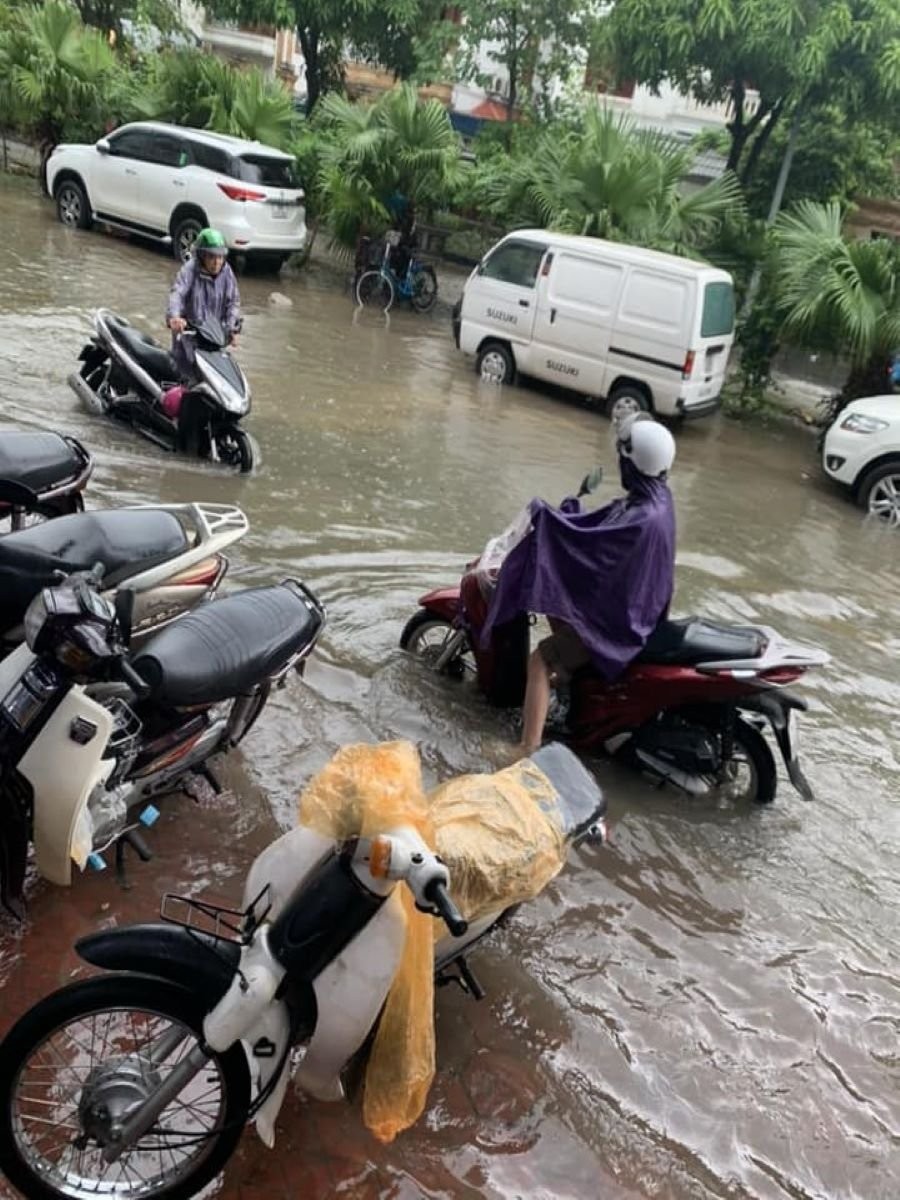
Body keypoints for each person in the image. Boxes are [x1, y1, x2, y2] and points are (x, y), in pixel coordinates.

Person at [481, 413, 677, 757]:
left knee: (540, 658)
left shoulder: (641, 518)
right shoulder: (656, 501)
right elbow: (599, 535)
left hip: (620, 626)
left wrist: (550, 522)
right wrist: (571, 515)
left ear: (633, 462)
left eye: (623, 457)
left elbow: (592, 548)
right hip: (638, 610)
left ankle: (526, 748)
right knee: (563, 611)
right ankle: (568, 694)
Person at [165, 228, 241, 381]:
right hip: (189, 339)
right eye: (211, 256)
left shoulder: (227, 273)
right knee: (183, 381)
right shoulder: (190, 270)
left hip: (213, 341)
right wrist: (174, 317)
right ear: (201, 255)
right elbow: (177, 293)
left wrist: (231, 327)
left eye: (220, 257)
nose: (216, 262)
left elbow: (233, 302)